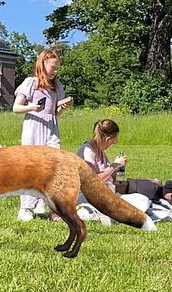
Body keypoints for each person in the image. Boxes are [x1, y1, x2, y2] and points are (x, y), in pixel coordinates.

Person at [12, 49, 73, 222]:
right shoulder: (31, 83)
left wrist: (63, 107)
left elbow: (55, 112)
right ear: (43, 64)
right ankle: (26, 207)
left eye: (57, 68)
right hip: (33, 126)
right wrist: (32, 107)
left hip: (51, 127)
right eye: (52, 67)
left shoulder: (56, 86)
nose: (55, 71)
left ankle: (43, 203)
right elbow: (16, 108)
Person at [75, 119, 151, 221]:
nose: (113, 144)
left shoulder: (101, 151)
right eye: (114, 141)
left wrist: (116, 172)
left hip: (105, 194)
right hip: (88, 196)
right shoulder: (87, 151)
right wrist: (114, 165)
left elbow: (109, 177)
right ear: (108, 139)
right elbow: (93, 180)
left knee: (142, 199)